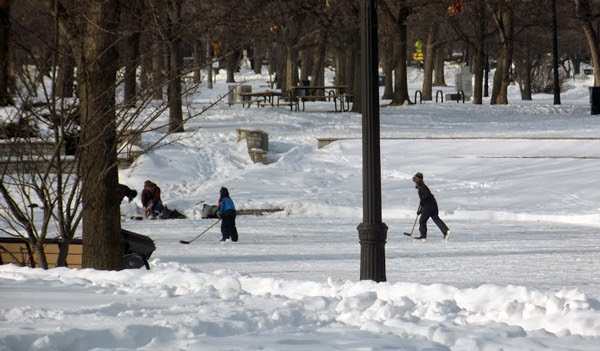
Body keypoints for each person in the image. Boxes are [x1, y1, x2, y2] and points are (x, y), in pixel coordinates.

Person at [412, 172, 451, 241]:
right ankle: (446, 231)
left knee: (422, 221)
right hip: (433, 205)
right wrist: (420, 210)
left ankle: (423, 236)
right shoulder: (423, 187)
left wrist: (422, 201)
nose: (415, 182)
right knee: (436, 218)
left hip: (429, 206)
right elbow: (424, 199)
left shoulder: (422, 187)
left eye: (416, 180)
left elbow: (426, 196)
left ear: (419, 180)